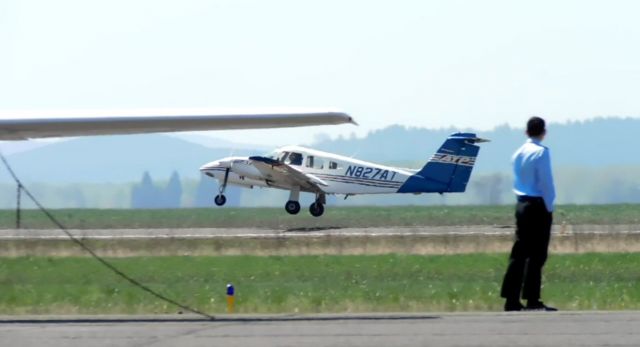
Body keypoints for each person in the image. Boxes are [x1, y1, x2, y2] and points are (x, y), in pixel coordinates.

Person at [500, 117, 557, 312]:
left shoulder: (518, 153)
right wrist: (549, 206)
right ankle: (532, 298)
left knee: (519, 253)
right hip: (537, 205)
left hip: (521, 205)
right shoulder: (541, 153)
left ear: (526, 132)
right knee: (537, 254)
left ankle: (511, 298)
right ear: (544, 132)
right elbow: (546, 183)